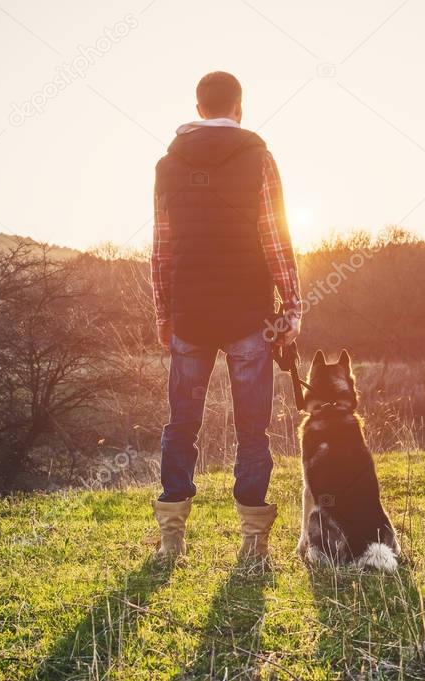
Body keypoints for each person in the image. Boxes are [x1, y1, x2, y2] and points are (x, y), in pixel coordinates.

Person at [150, 71, 301, 560]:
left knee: (181, 423)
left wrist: (163, 313)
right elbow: (275, 237)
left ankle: (172, 534)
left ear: (198, 108)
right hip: (248, 315)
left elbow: (161, 247)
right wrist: (292, 306)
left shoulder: (167, 165)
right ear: (239, 107)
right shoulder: (259, 158)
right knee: (252, 427)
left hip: (191, 313)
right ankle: (253, 541)